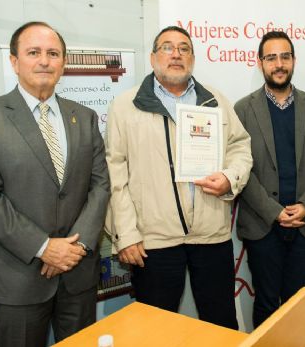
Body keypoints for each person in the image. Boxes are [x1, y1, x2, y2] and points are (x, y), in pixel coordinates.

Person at [0, 21, 110, 346]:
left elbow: (100, 186)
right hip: (19, 278)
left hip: (77, 274)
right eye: (34, 52)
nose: (44, 60)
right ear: (14, 62)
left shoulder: (83, 117)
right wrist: (45, 248)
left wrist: (75, 248)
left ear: (63, 63)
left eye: (53, 53)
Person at [105, 25, 252, 329]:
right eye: (168, 47)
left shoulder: (215, 101)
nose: (176, 54)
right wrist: (126, 234)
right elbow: (114, 176)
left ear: (193, 58)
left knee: (221, 325)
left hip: (212, 235)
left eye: (184, 48)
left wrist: (229, 178)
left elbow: (240, 147)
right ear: (152, 57)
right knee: (157, 330)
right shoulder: (125, 106)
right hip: (154, 240)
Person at [234, 31, 305, 328]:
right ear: (260, 63)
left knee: (295, 304)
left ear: (293, 60)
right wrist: (274, 211)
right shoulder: (243, 109)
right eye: (271, 57)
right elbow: (240, 168)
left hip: (304, 224)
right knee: (266, 300)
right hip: (261, 225)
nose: (279, 64)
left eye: (285, 56)